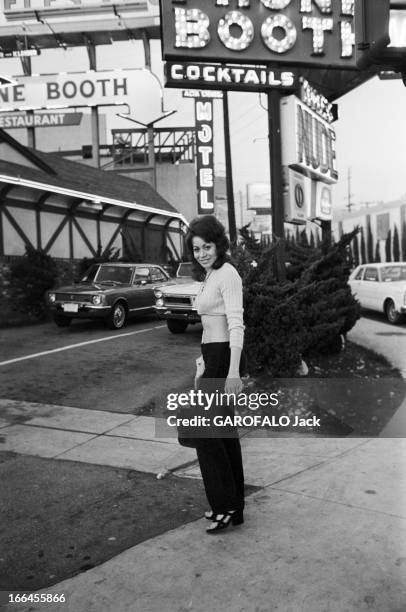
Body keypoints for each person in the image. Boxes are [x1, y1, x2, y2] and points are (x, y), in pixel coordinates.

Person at [185, 215, 245, 534]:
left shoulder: (227, 274)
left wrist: (232, 371)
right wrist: (202, 362)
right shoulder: (211, 275)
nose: (202, 253)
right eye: (196, 248)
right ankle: (232, 506)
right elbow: (212, 324)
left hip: (223, 359)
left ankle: (225, 505)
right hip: (212, 357)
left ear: (218, 244)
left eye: (207, 246)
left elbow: (236, 323)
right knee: (221, 434)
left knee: (207, 437)